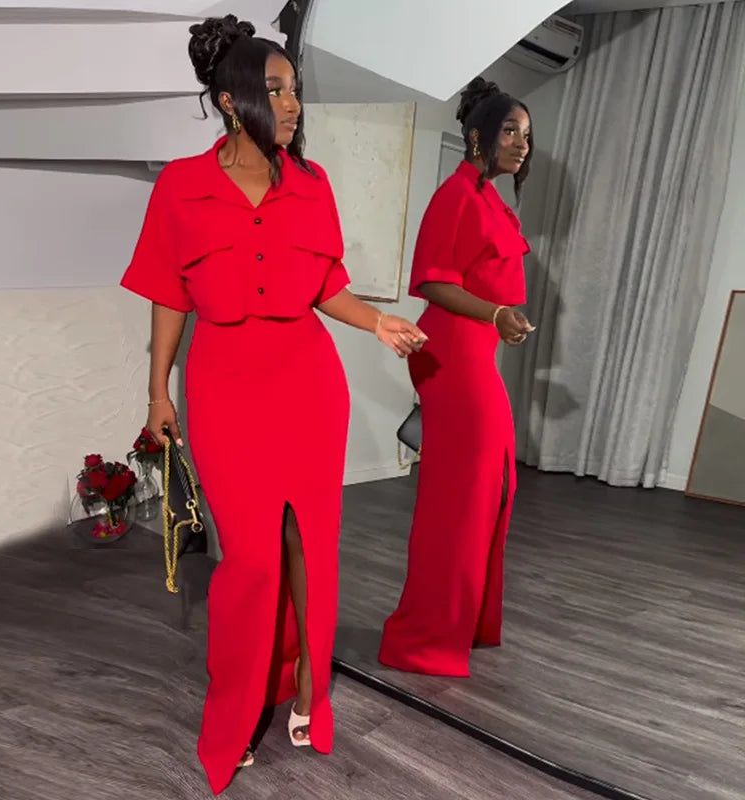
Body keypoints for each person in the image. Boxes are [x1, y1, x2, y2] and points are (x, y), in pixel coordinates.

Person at [120, 15, 427, 796]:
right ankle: (236, 706)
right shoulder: (180, 187)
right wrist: (157, 391)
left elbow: (326, 286)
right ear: (231, 101)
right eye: (277, 90)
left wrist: (377, 321)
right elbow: (168, 295)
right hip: (224, 390)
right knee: (251, 561)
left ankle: (308, 688)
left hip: (308, 385)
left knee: (310, 547)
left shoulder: (311, 184)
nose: (292, 105)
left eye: (294, 90)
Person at [378, 77, 535, 678]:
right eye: (509, 131)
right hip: (453, 357)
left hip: (477, 354)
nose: (520, 143)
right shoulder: (456, 196)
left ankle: (462, 622)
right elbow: (432, 281)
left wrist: (501, 320)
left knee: (493, 491)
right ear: (477, 136)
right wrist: (495, 314)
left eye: (526, 134)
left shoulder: (490, 198)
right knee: (461, 501)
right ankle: (423, 638)